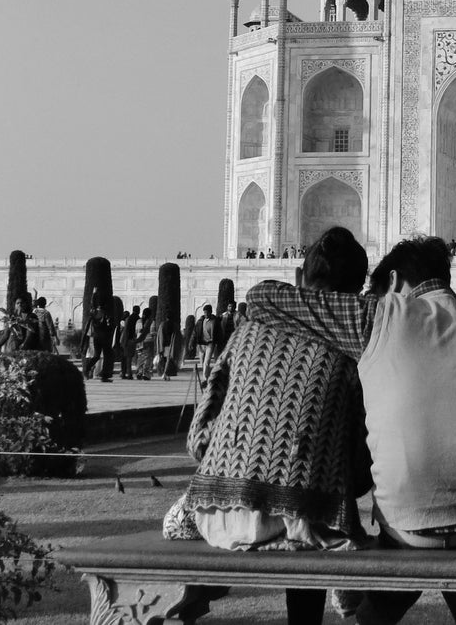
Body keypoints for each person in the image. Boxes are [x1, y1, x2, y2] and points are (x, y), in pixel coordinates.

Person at [246, 235, 456, 625]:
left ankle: (365, 612)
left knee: (417, 537)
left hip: (407, 523)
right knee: (455, 550)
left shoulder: (379, 316)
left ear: (392, 282)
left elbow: (261, 298)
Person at [167, 227, 373, 625]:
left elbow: (198, 439)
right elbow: (359, 465)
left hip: (219, 515)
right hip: (311, 523)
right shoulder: (354, 350)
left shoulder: (247, 329)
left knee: (190, 517)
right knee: (306, 517)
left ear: (301, 276)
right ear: (357, 290)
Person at [196, 304, 220, 377]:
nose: (206, 314)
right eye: (205, 312)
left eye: (207, 312)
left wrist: (218, 342)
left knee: (207, 361)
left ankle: (205, 378)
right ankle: (207, 375)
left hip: (210, 343)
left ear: (211, 312)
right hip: (202, 343)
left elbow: (219, 332)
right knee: (202, 362)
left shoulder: (215, 321)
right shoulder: (201, 321)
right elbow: (195, 331)